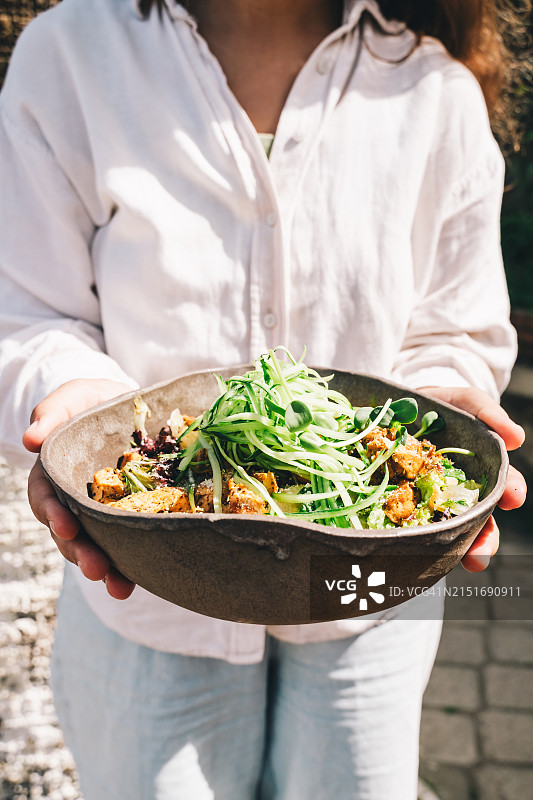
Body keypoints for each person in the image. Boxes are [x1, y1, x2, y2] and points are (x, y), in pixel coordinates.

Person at [0, 0, 527, 798]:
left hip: (371, 595)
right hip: (149, 582)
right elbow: (29, 310)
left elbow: (454, 326)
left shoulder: (430, 85)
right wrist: (76, 398)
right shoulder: (71, 53)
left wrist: (446, 398)